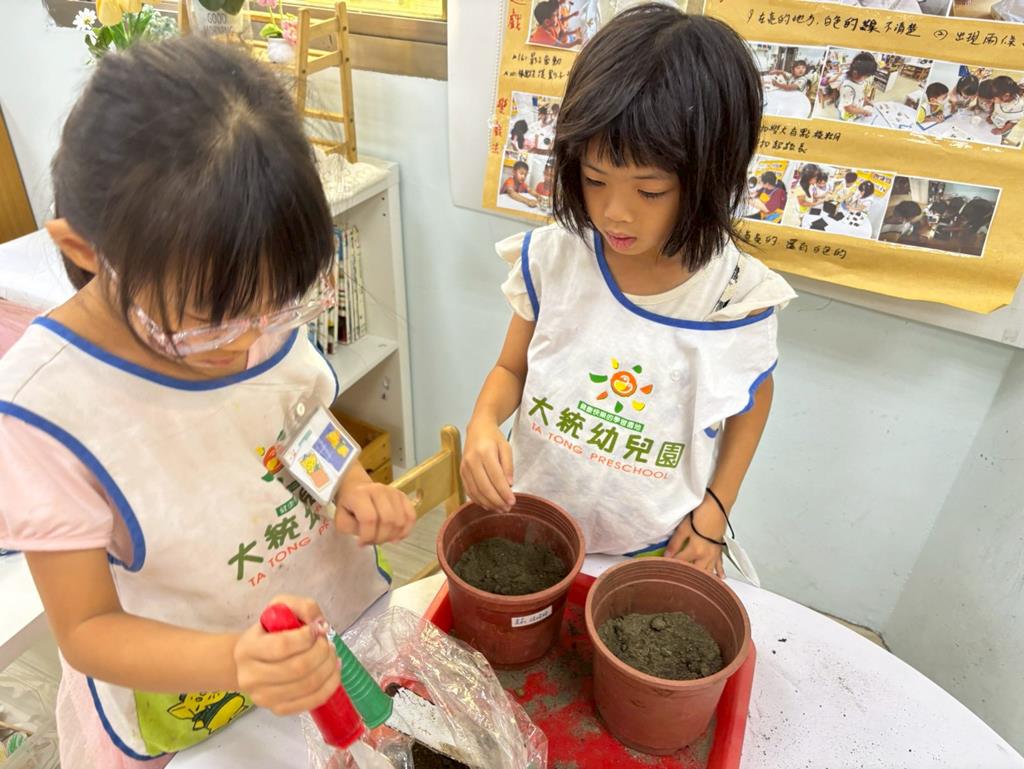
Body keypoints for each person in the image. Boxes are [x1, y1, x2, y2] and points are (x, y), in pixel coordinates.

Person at [0, 38, 415, 769]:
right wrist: (235, 661)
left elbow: (298, 418)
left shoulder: (247, 303)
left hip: (322, 634)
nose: (251, 337)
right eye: (211, 317)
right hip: (195, 700)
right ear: (88, 250)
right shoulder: (47, 411)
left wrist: (349, 483)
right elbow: (88, 629)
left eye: (274, 306)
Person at [462, 6, 795, 575]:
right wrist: (483, 423)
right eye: (594, 180)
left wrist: (715, 511)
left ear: (710, 176)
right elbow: (511, 368)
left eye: (650, 191)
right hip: (532, 526)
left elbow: (752, 397)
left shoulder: (733, 296)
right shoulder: (558, 258)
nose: (614, 212)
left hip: (649, 548)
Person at [838, 52, 878, 121]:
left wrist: (866, 100)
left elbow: (862, 92)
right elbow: (848, 108)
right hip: (847, 115)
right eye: (866, 76)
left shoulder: (861, 81)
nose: (866, 78)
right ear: (855, 73)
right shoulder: (848, 88)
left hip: (857, 110)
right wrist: (864, 112)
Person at [991, 75, 1024, 140]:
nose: (993, 99)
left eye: (995, 97)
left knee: (998, 138)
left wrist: (1001, 131)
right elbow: (997, 108)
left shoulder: (1018, 106)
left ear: (1006, 96)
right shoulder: (1001, 96)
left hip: (1003, 128)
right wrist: (991, 117)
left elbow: (1012, 122)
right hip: (996, 120)